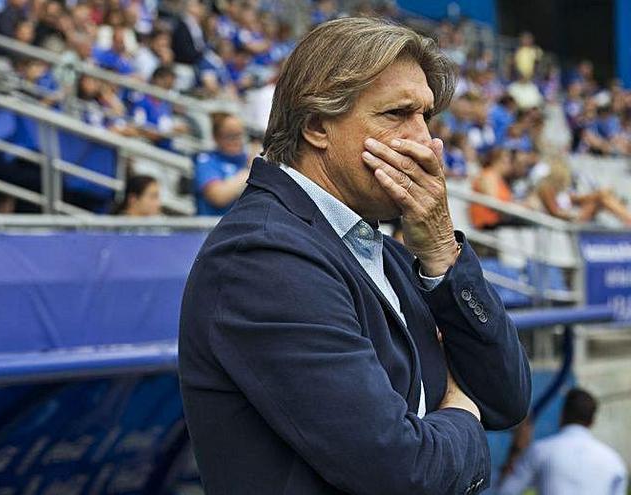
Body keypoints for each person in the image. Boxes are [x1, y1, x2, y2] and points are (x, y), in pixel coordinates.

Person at [179, 17, 530, 495]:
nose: (425, 142)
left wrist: (443, 254)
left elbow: (507, 397)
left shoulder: (381, 249)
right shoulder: (262, 257)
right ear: (318, 126)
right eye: (396, 115)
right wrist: (464, 416)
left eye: (426, 116)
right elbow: (402, 473)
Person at [498, 388, 628, 495]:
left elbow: (506, 491)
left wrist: (516, 449)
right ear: (592, 421)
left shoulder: (540, 451)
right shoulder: (614, 462)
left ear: (562, 415)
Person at [194, 113, 249, 215]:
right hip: (214, 227)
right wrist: (246, 176)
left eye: (239, 135)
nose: (236, 141)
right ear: (216, 137)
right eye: (230, 136)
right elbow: (218, 196)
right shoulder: (207, 161)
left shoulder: (246, 159)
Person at [469, 148, 525, 230]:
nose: (510, 165)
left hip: (498, 220)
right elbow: (494, 203)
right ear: (497, 161)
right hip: (487, 222)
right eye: (507, 161)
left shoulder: (500, 179)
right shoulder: (489, 175)